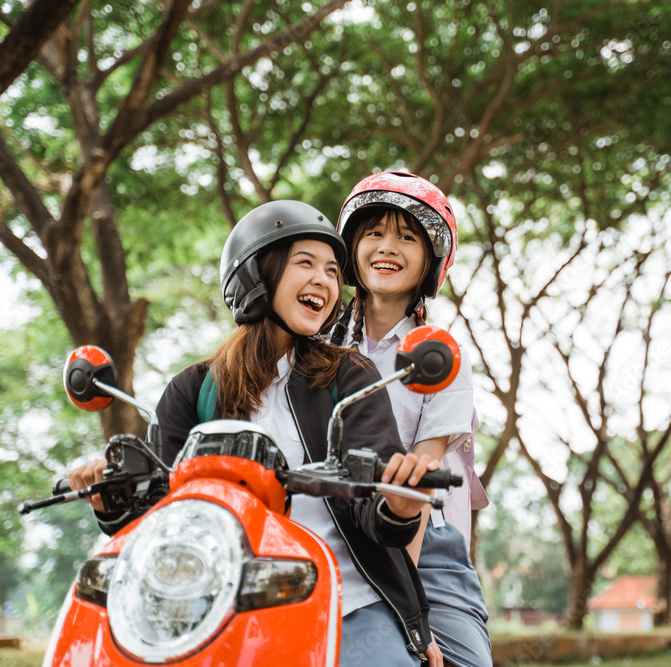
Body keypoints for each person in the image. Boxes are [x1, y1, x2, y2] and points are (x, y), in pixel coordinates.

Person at [69, 200, 441, 666]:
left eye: (331, 270)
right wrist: (109, 501)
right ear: (255, 275)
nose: (325, 281)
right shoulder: (194, 390)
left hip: (348, 603)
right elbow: (158, 515)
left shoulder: (348, 377)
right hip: (219, 609)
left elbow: (376, 503)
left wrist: (399, 502)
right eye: (306, 263)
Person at [331, 172, 492, 667]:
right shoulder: (316, 349)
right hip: (328, 528)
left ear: (429, 261)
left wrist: (408, 607)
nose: (388, 247)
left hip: (416, 541)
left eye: (407, 237)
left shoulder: (439, 353)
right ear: (352, 247)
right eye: (374, 232)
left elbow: (417, 484)